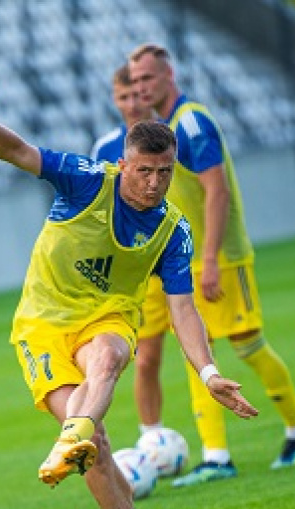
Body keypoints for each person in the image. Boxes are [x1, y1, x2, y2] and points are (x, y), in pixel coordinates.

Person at [0, 81, 259, 509]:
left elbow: (183, 309)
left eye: (165, 172)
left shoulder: (171, 229)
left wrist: (209, 373)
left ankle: (74, 437)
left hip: (109, 318)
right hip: (42, 324)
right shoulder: (84, 180)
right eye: (145, 170)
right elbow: (19, 152)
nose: (155, 182)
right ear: (125, 162)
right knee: (97, 451)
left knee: (113, 354)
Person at [128, 44, 295, 488]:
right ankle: (216, 455)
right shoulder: (164, 128)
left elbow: (218, 192)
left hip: (222, 258)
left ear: (168, 75)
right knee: (199, 353)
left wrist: (210, 258)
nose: (141, 88)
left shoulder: (191, 121)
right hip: (189, 261)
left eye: (148, 79)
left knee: (250, 345)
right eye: (135, 81)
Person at [91, 64, 171, 437]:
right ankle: (151, 436)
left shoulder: (166, 141)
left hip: (172, 260)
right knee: (146, 359)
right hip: (135, 270)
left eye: (137, 95)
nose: (132, 103)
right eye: (123, 97)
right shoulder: (105, 148)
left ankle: (216, 449)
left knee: (204, 351)